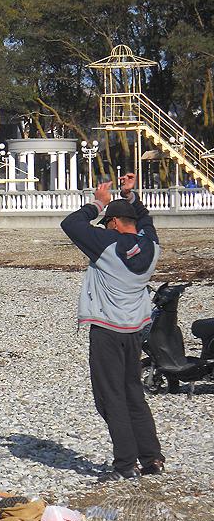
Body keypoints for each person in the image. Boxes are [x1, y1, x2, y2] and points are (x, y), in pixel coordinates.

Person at [61, 172, 165, 482]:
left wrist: (97, 203)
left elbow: (71, 224)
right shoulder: (152, 246)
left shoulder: (108, 243)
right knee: (133, 392)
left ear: (116, 223)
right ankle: (151, 458)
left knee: (111, 397)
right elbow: (144, 220)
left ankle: (124, 464)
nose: (104, 227)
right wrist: (128, 194)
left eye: (108, 222)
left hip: (107, 329)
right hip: (134, 330)